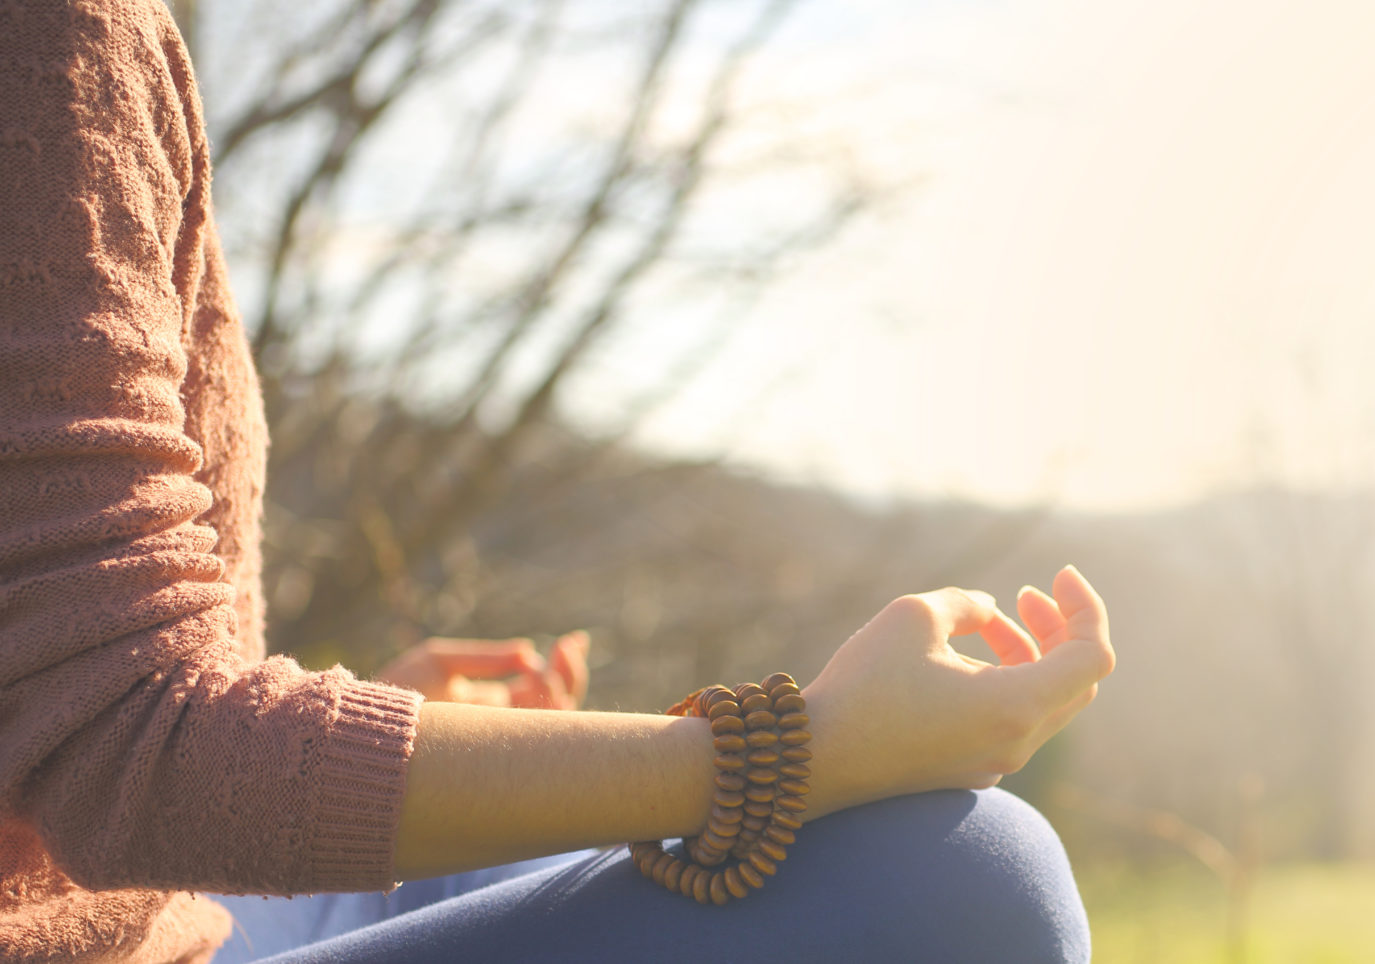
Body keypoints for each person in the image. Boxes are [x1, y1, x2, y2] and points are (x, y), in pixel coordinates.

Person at [0, 1, 1116, 961]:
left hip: (131, 902)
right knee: (957, 879)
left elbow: (65, 699)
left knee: (547, 825)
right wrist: (792, 750)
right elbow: (123, 747)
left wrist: (341, 726)